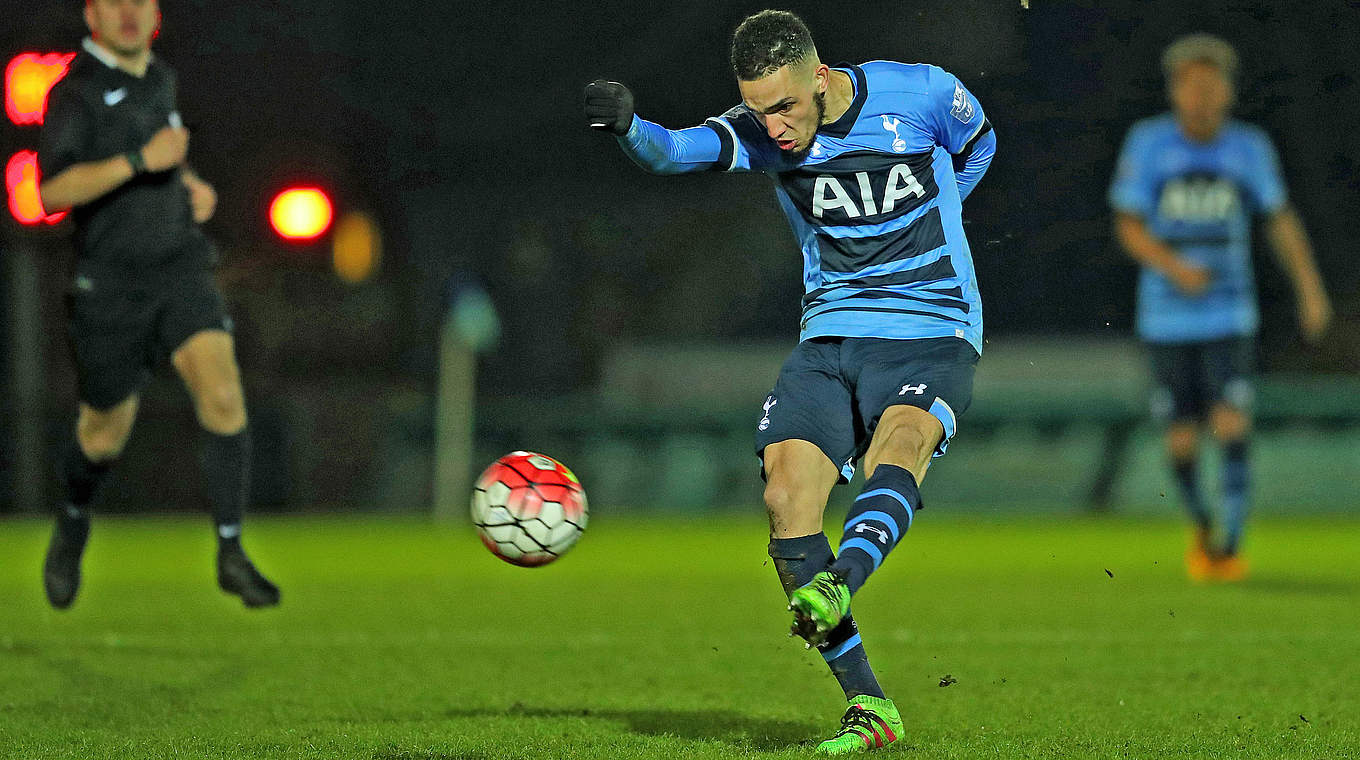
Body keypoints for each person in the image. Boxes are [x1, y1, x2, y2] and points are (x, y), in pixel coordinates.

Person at [585, 10, 994, 754]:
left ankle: (842, 581)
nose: (773, 125)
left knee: (897, 446)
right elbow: (675, 152)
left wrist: (947, 218)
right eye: (759, 106)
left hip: (931, 327)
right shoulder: (756, 133)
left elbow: (980, 141)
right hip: (831, 334)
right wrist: (628, 125)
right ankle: (870, 706)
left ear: (821, 77)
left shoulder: (923, 94)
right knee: (784, 495)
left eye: (785, 106)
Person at [38, 0, 280, 608]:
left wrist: (188, 184)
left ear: (157, 15)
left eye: (139, 2)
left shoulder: (160, 78)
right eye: (114, 2)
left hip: (179, 268)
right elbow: (51, 190)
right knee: (103, 434)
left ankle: (230, 551)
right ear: (92, 14)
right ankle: (71, 524)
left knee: (224, 395)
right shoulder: (76, 91)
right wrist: (143, 162)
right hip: (110, 284)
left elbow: (166, 156)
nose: (128, 13)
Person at [1109, 34, 1332, 582]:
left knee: (1231, 423)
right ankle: (1203, 524)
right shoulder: (1149, 143)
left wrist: (1309, 287)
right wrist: (1175, 267)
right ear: (1176, 90)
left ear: (1228, 91)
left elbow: (1278, 218)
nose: (1204, 96)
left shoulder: (1248, 147)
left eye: (1213, 85)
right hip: (1165, 317)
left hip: (1229, 314)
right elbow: (1129, 225)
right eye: (1193, 85)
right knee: (1181, 438)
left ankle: (1230, 544)